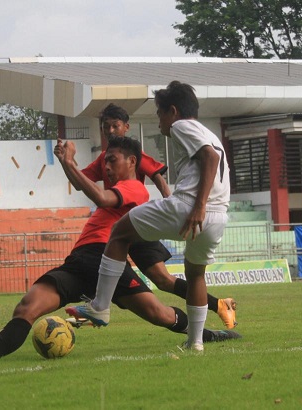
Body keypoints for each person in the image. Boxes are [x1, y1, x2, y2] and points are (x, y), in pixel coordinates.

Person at [0, 137, 240, 360]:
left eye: (113, 160)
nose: (107, 166)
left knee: (160, 313)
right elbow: (87, 187)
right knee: (27, 308)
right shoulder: (114, 186)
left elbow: (102, 199)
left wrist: (68, 162)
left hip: (103, 259)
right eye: (105, 161)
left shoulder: (134, 187)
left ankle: (210, 334)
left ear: (132, 162)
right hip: (79, 262)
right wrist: (68, 165)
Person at [67, 81, 230, 352]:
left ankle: (99, 307)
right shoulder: (209, 132)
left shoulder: (181, 125)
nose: (159, 120)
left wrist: (198, 205)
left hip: (190, 207)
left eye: (159, 113)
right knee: (196, 275)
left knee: (118, 232)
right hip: (218, 216)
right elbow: (212, 157)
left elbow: (209, 158)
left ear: (173, 111)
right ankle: (196, 343)